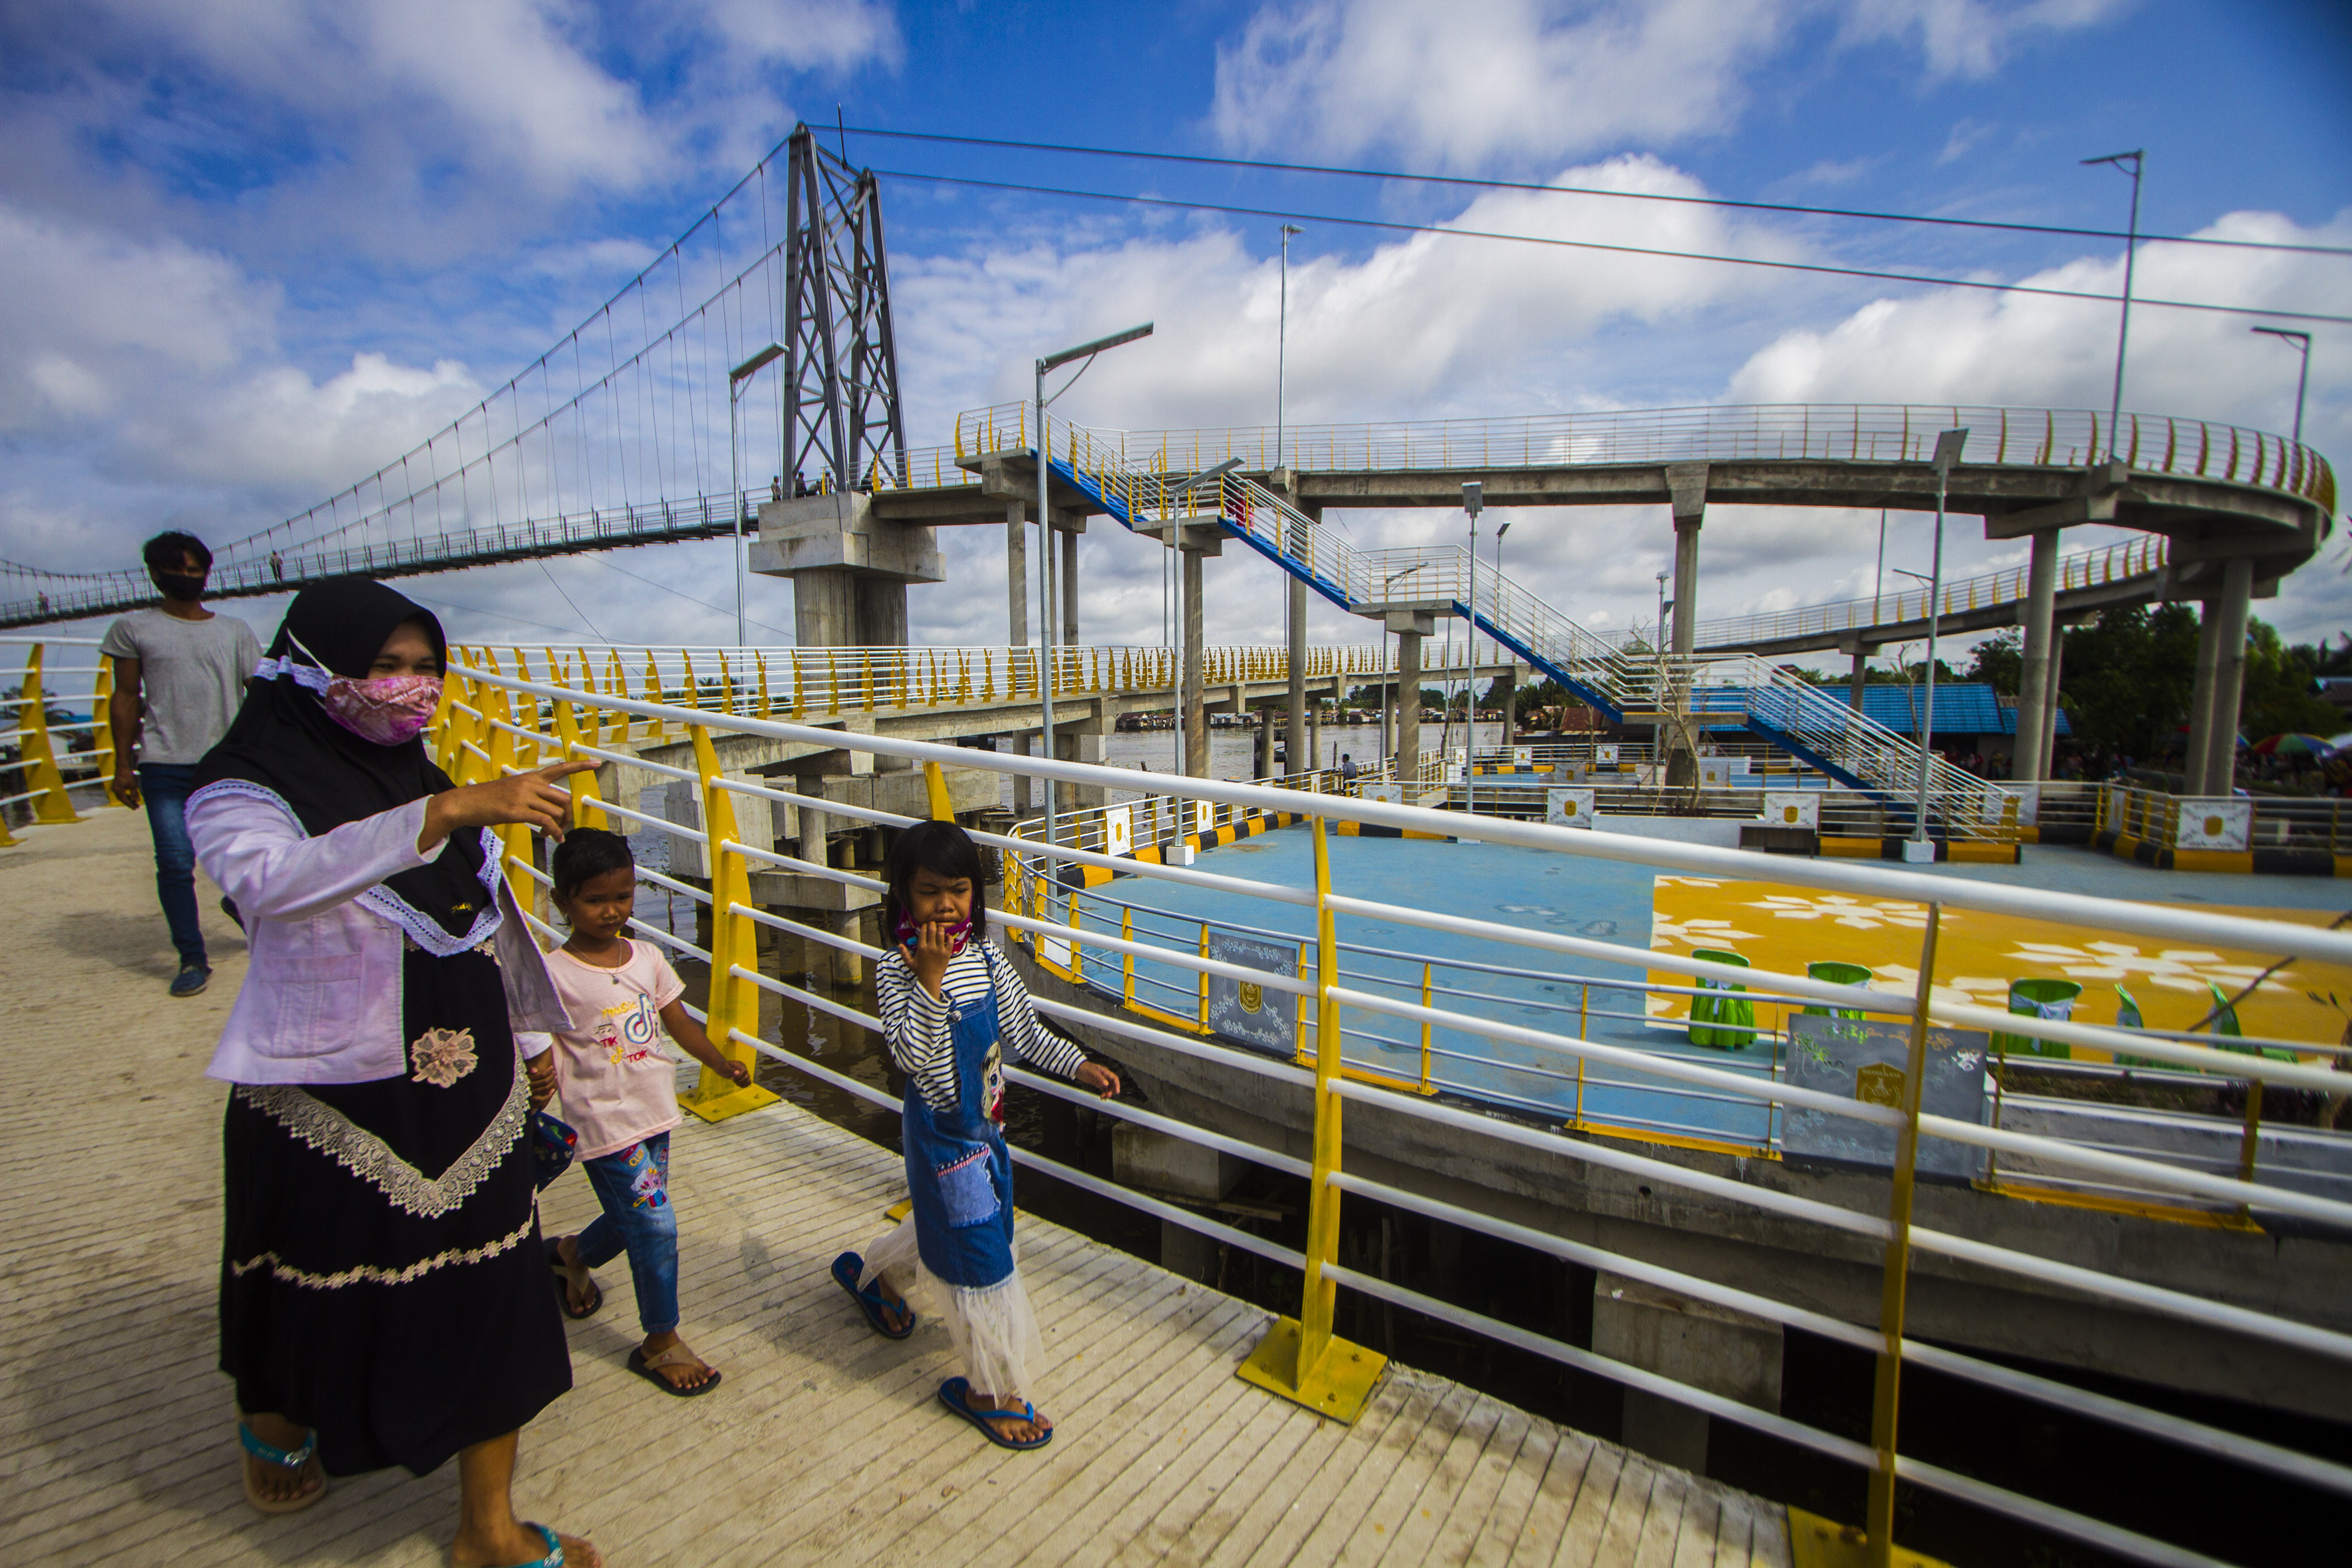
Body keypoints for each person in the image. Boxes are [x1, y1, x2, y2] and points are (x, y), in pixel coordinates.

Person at [188, 579, 602, 1568]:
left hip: (470, 1082)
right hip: (331, 1087)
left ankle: (487, 1526)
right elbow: (266, 882)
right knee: (313, 1266)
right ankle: (278, 1420)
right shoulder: (241, 786)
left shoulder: (427, 776)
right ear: (311, 666)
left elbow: (485, 921)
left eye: (424, 668)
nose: (409, 686)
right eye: (384, 666)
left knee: (493, 1282)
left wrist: (533, 1038)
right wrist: (450, 808)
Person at [831, 821, 1120, 1450]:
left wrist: (1077, 1064)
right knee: (983, 1261)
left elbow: (1026, 1033)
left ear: (975, 893)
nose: (945, 905)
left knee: (955, 1229)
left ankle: (880, 1278)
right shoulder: (896, 969)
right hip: (942, 1140)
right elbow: (911, 1058)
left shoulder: (988, 959)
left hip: (986, 1130)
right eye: (929, 891)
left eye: (958, 890)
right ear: (903, 895)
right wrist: (930, 979)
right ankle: (992, 1391)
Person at [533, 828, 750, 1396]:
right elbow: (537, 1046)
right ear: (561, 901)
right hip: (603, 1123)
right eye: (595, 899)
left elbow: (678, 1021)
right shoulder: (553, 973)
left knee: (636, 1215)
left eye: (623, 896)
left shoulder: (648, 957)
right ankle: (660, 1340)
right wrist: (535, 1087)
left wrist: (720, 1062)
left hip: (654, 1112)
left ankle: (569, 1255)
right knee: (655, 1222)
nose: (612, 910)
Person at [102, 531, 262, 997]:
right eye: (176, 569)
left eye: (195, 569)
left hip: (226, 766)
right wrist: (122, 766)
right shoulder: (132, 628)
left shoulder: (235, 631)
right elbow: (126, 697)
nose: (187, 577)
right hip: (163, 763)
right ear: (155, 573)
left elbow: (260, 697)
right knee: (174, 862)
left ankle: (238, 903)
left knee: (246, 855)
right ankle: (192, 958)